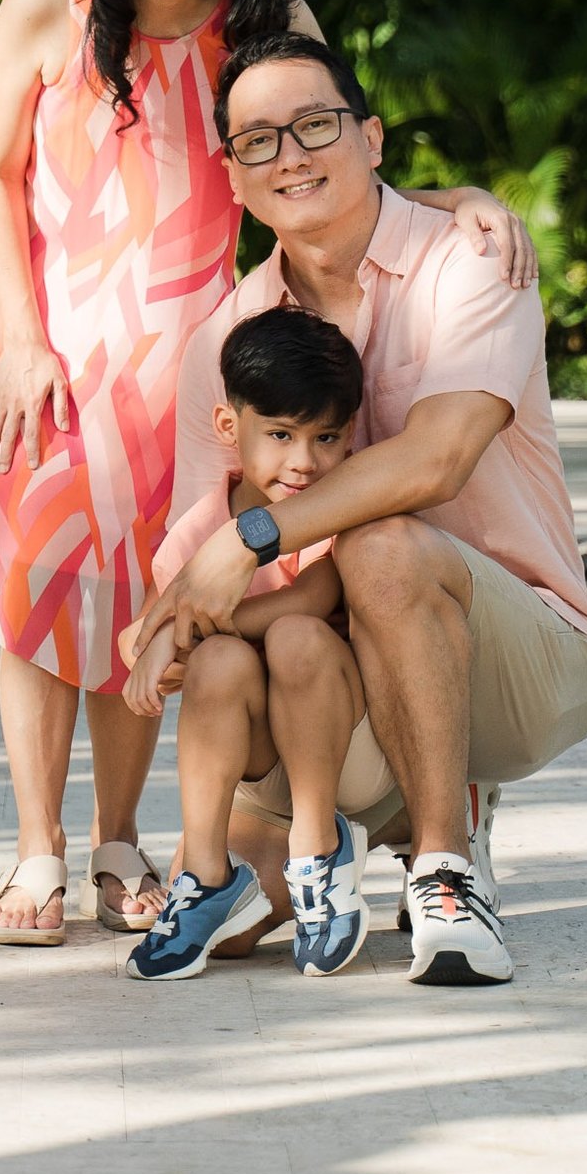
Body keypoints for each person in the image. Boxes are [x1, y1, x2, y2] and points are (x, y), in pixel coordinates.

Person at [0, 0, 533, 946]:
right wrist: (20, 340)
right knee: (43, 582)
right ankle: (34, 852)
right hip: (38, 329)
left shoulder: (267, 16)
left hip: (188, 343)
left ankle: (117, 845)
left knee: (141, 583)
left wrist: (455, 197)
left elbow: (331, 149)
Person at [132, 31, 587, 985]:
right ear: (233, 175)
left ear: (373, 138)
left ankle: (443, 865)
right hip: (328, 666)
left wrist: (251, 539)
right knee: (237, 904)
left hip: (519, 654)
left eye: (316, 125)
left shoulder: (472, 261)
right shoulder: (228, 340)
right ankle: (356, 828)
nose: (290, 156)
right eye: (258, 140)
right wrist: (172, 624)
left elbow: (437, 461)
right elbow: (194, 538)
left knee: (383, 544)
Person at [121, 306, 398, 982]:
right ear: (229, 426)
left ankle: (318, 847)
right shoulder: (200, 531)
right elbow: (143, 638)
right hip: (263, 762)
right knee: (218, 660)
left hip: (351, 744)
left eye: (327, 437)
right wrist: (158, 640)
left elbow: (310, 600)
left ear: (351, 434)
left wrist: (175, 631)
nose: (304, 461)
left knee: (295, 636)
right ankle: (210, 878)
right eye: (280, 434)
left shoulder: (340, 511)